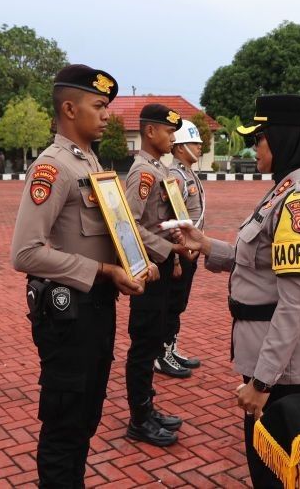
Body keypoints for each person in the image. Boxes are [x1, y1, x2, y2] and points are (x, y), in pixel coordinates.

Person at [174, 94, 300, 487]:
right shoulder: (285, 189)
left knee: (282, 478)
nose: (254, 146)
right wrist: (205, 244)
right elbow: (262, 261)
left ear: (283, 139)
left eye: (260, 138)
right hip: (279, 362)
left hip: (289, 372)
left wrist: (262, 383)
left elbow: (295, 302)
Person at [11, 64, 157, 487]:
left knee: (86, 419)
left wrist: (133, 261)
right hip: (68, 317)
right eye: (99, 105)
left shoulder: (89, 162)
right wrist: (105, 270)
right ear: (70, 109)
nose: (107, 114)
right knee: (65, 425)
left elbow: (108, 231)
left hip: (95, 310)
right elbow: (25, 252)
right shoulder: (53, 168)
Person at [124, 103, 189, 447]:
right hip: (148, 269)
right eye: (168, 131)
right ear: (150, 132)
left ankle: (147, 407)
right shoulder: (143, 173)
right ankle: (139, 417)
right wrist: (166, 251)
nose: (172, 137)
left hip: (162, 263)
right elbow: (129, 224)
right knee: (143, 344)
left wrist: (174, 242)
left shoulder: (157, 169)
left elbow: (156, 220)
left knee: (152, 341)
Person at [154, 119, 206, 378]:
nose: (200, 147)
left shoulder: (188, 173)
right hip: (182, 253)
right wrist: (176, 259)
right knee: (172, 302)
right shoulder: (176, 176)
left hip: (190, 251)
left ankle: (170, 348)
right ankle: (161, 355)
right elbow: (173, 219)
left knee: (179, 303)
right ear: (180, 147)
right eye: (194, 143)